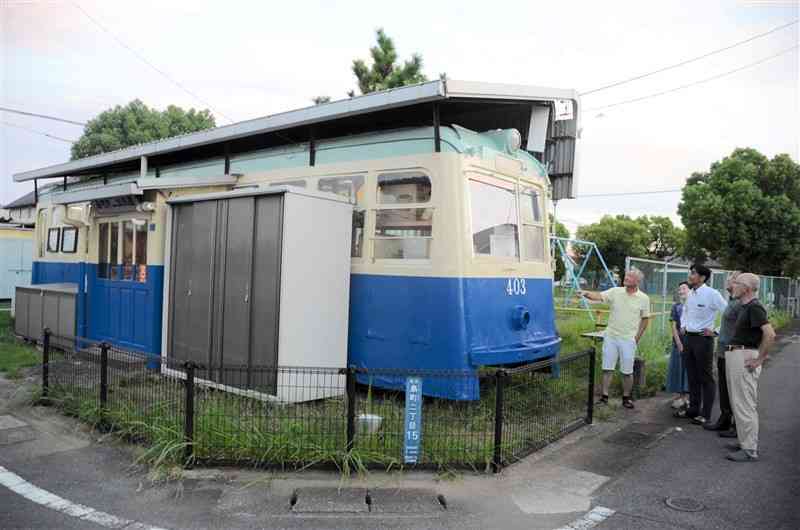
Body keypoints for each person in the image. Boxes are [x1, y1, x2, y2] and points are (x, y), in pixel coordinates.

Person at [579, 268, 650, 409]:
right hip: (611, 336)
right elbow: (598, 296)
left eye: (630, 276)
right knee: (607, 368)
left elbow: (645, 319)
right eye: (627, 275)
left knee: (627, 371)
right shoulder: (615, 292)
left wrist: (636, 338)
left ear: (637, 281)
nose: (626, 277)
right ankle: (604, 397)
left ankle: (626, 398)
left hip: (628, 339)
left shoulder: (644, 298)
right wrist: (586, 293)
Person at [724, 272, 775, 462]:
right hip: (737, 354)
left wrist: (759, 359)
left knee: (745, 404)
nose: (732, 286)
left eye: (736, 283)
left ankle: (749, 449)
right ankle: (744, 440)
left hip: (744, 356)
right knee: (738, 401)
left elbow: (770, 334)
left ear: (746, 288)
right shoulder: (746, 307)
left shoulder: (754, 307)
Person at [679, 264, 727, 425]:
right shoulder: (690, 293)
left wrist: (716, 332)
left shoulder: (712, 294)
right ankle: (693, 409)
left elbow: (728, 314)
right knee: (692, 376)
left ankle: (705, 414)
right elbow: (685, 311)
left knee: (705, 377)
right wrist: (683, 326)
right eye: (690, 273)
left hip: (703, 339)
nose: (690, 276)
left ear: (702, 277)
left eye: (693, 273)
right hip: (689, 339)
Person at [704, 272, 742, 435]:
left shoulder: (741, 304)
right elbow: (726, 325)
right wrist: (717, 333)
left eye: (732, 280)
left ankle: (736, 425)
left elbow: (743, 329)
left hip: (732, 351)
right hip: (722, 351)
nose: (728, 282)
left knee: (734, 390)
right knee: (724, 387)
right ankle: (725, 419)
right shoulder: (732, 301)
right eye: (728, 279)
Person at [666, 282, 690, 409]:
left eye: (684, 288)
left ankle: (688, 397)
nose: (681, 290)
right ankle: (680, 396)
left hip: (692, 344)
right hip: (678, 344)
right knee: (678, 369)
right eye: (679, 288)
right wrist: (679, 343)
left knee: (689, 370)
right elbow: (674, 327)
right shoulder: (676, 307)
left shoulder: (693, 306)